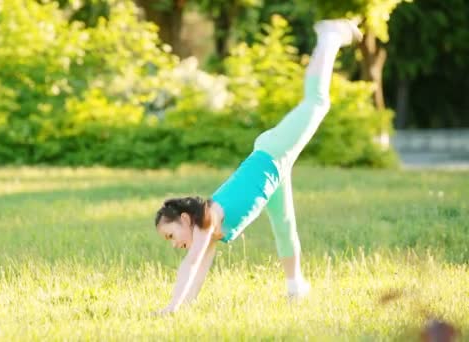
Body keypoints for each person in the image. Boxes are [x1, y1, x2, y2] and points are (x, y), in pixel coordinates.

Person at [154, 19, 362, 314]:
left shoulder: (207, 221)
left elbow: (190, 265)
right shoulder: (208, 232)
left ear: (186, 219)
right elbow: (198, 272)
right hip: (272, 169)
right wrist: (182, 307)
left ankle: (330, 37)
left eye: (171, 235)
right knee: (284, 225)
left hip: (272, 153)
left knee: (317, 102)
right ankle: (296, 287)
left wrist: (170, 309)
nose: (173, 245)